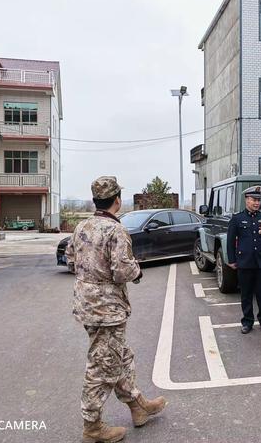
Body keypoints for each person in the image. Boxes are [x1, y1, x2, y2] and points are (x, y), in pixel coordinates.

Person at [66, 176, 166, 443]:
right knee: (102, 366)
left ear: (95, 200)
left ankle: (138, 406)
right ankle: (92, 426)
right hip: (107, 309)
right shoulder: (115, 230)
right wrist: (137, 270)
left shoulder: (81, 226)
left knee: (120, 356)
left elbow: (70, 258)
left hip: (86, 304)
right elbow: (122, 271)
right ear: (117, 200)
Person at [227, 185, 261, 334]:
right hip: (245, 262)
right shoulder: (237, 218)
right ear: (246, 200)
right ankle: (247, 322)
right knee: (246, 294)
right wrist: (232, 260)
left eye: (258, 200)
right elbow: (230, 241)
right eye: (254, 200)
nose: (256, 203)